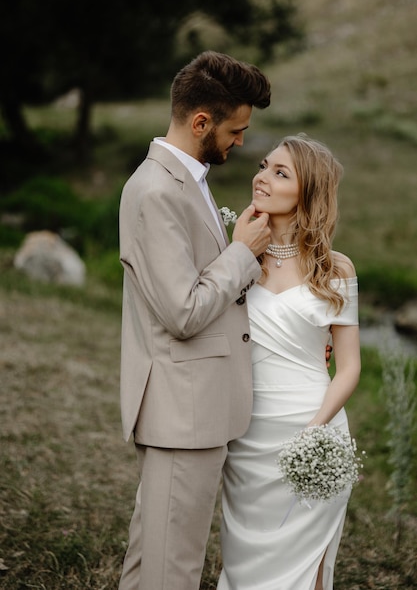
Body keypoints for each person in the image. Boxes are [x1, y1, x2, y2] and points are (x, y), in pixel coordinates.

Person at [118, 50, 272, 590]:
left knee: (152, 560)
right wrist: (242, 253)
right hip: (182, 412)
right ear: (201, 122)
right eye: (236, 130)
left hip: (196, 405)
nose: (241, 143)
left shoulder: (190, 179)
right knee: (172, 571)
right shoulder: (154, 191)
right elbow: (182, 312)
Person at [217, 134, 361, 590]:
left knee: (308, 564)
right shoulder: (237, 258)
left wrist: (316, 427)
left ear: (308, 192)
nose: (262, 177)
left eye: (281, 173)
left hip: (312, 432)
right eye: (263, 166)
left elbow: (350, 365)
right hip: (248, 432)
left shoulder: (335, 269)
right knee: (244, 561)